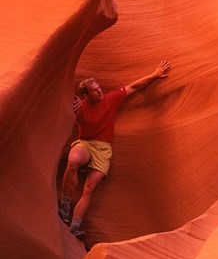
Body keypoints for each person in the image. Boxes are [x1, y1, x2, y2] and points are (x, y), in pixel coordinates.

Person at [59, 60, 170, 240]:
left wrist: (155, 74)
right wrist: (71, 106)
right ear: (86, 96)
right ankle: (64, 205)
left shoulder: (110, 99)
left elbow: (134, 87)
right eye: (95, 90)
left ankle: (74, 227)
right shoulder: (80, 107)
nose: (99, 91)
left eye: (99, 87)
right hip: (85, 144)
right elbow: (60, 99)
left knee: (90, 187)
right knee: (73, 160)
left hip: (103, 149)